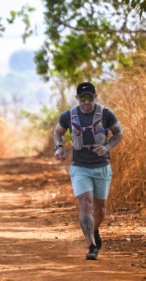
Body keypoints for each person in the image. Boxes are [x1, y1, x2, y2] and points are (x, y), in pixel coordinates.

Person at [54, 82, 123, 260]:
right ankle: (92, 246)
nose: (86, 101)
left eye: (89, 97)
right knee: (86, 203)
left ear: (95, 97)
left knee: (100, 210)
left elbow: (118, 133)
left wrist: (107, 147)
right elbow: (58, 132)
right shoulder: (68, 115)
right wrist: (59, 147)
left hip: (102, 167)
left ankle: (93, 229)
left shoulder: (106, 113)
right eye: (82, 98)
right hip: (80, 167)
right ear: (77, 98)